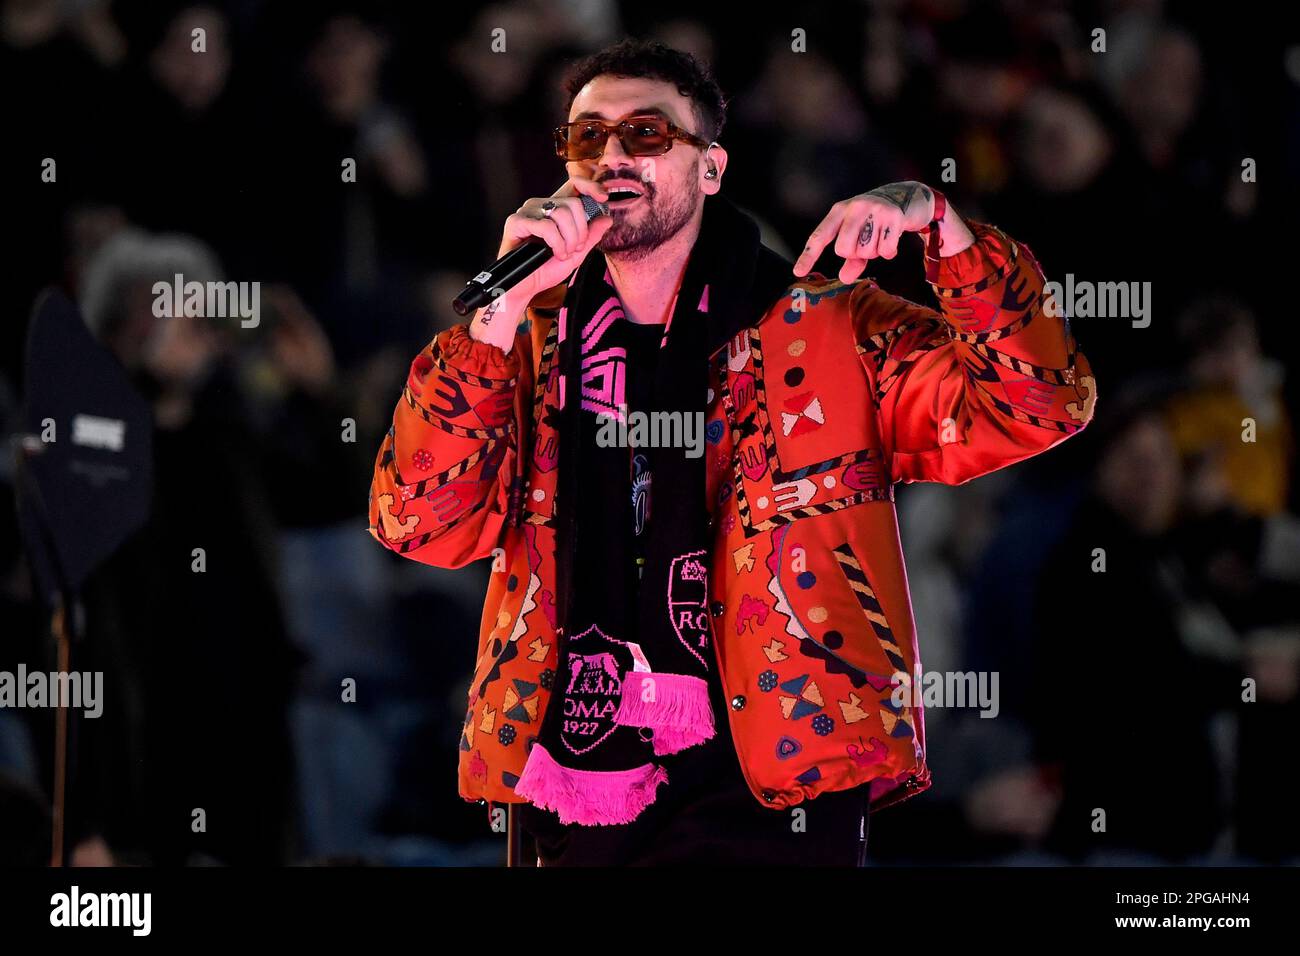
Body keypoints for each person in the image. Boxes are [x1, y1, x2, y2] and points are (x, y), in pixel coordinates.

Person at [367, 39, 1095, 865]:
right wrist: (496, 310)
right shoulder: (526, 342)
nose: (611, 153)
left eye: (646, 133)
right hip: (571, 760)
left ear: (710, 168)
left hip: (776, 760)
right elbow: (416, 521)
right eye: (585, 137)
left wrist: (944, 231)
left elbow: (1041, 401)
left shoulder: (826, 327)